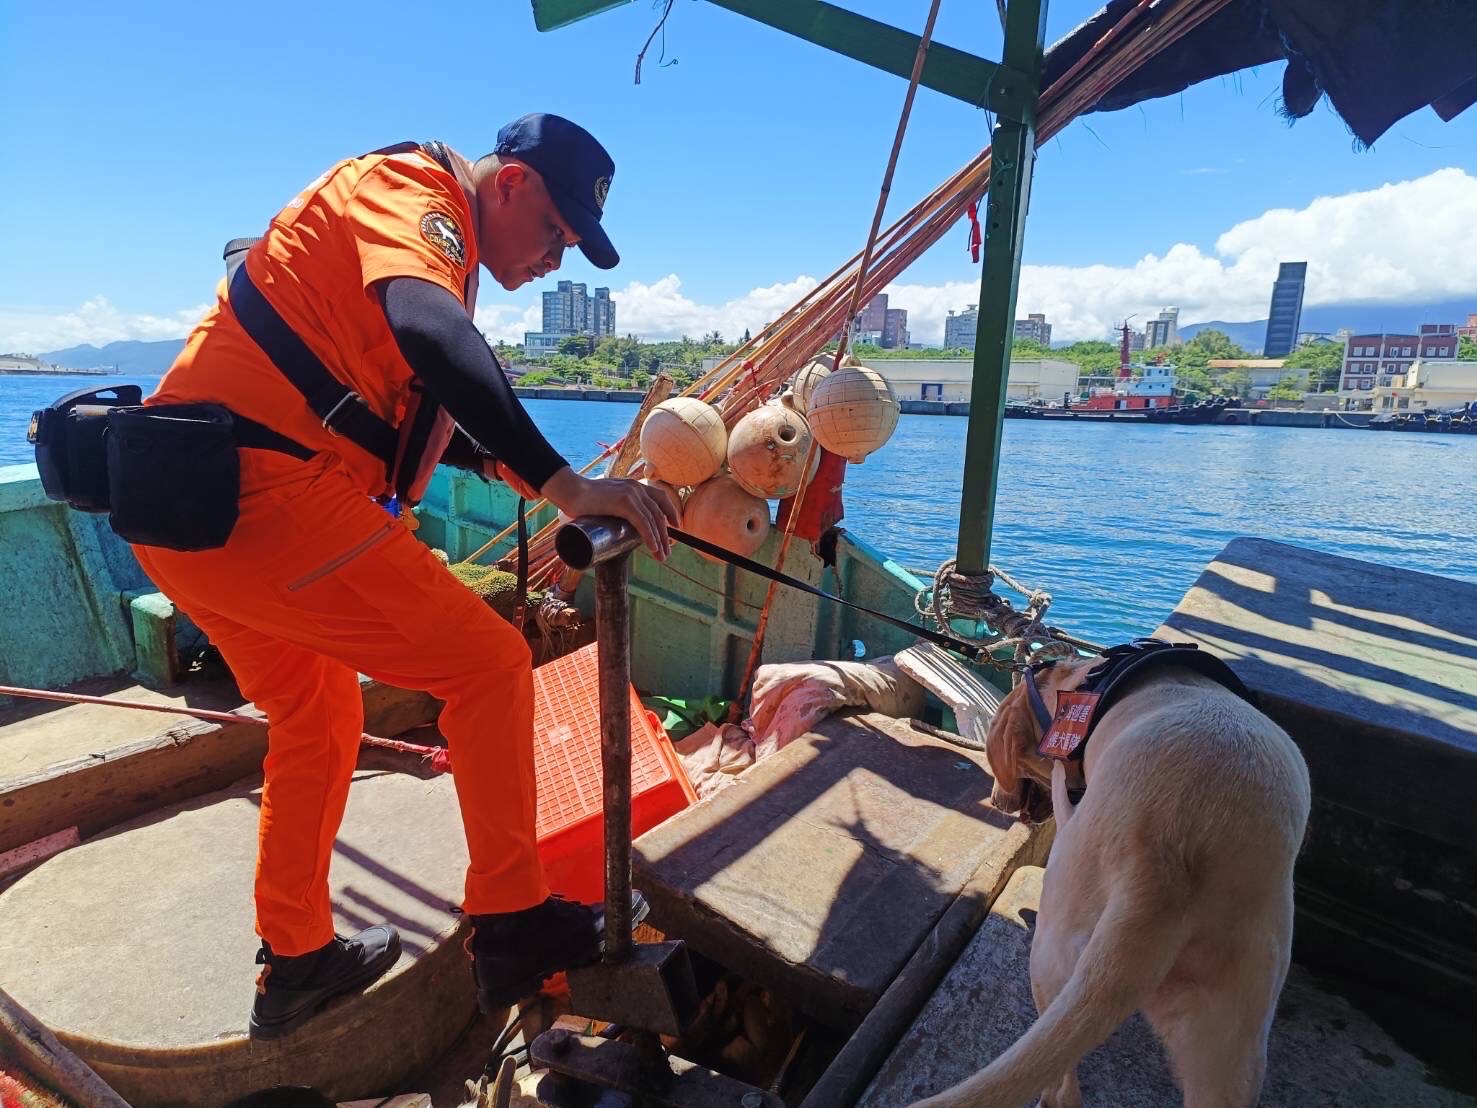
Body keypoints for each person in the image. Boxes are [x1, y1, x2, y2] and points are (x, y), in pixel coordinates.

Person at [134, 114, 679, 1040]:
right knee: (488, 665)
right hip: (261, 494)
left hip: (187, 513)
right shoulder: (414, 196)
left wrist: (531, 478)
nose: (554, 260)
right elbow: (430, 333)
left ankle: (297, 959)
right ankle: (512, 920)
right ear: (507, 184)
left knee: (317, 716)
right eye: (554, 231)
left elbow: (432, 416)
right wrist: (567, 483)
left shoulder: (424, 248)